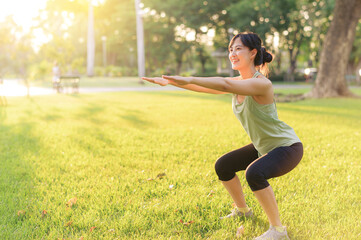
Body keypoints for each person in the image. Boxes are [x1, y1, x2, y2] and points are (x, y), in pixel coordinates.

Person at [142, 31, 303, 240]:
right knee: (224, 166)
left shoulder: (261, 84)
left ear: (253, 53)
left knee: (254, 173)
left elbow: (223, 84)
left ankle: (278, 231)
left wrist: (185, 77)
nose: (233, 53)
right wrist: (172, 82)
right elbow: (203, 88)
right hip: (264, 145)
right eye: (231, 49)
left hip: (287, 147)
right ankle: (243, 211)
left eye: (238, 49)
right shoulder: (239, 82)